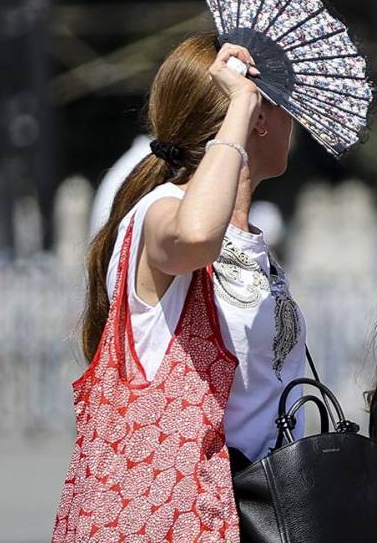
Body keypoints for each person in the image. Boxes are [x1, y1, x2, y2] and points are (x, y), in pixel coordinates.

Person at [53, 33, 305, 540]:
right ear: (255, 115)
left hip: (249, 509)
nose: (293, 120)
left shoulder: (254, 244)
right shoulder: (160, 212)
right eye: (283, 105)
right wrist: (240, 106)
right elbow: (196, 236)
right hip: (173, 514)